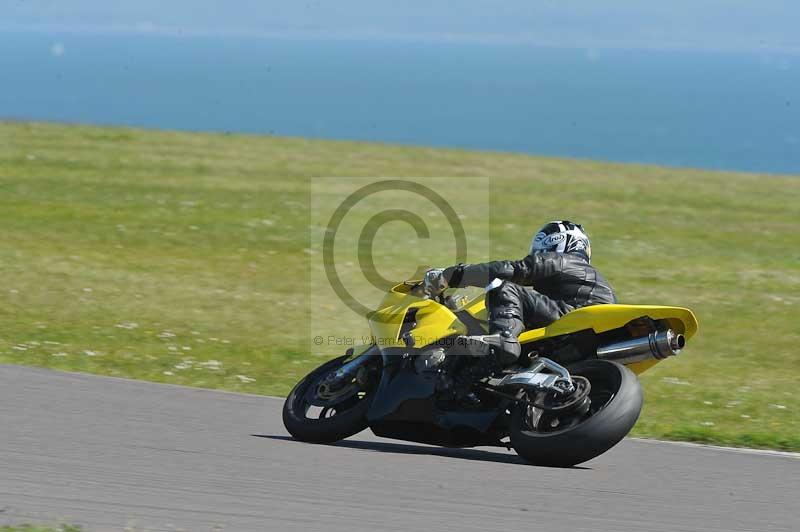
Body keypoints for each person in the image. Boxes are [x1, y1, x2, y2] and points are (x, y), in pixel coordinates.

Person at [424, 220, 616, 374]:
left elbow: (513, 270)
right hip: (590, 334)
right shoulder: (589, 278)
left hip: (574, 317)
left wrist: (452, 275)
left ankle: (504, 338)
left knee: (502, 285)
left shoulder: (564, 261)